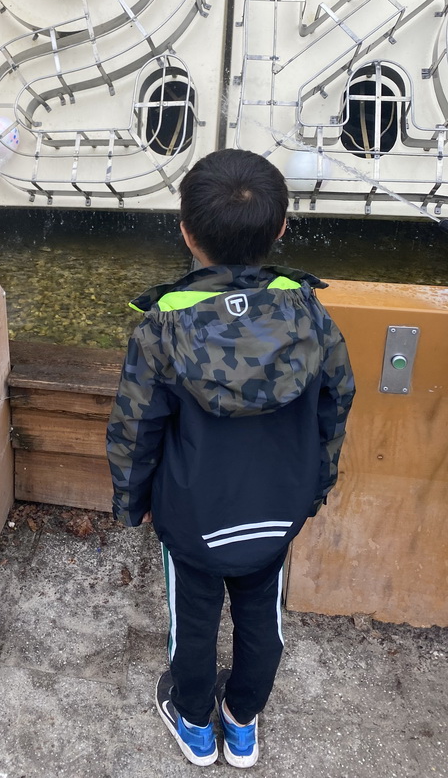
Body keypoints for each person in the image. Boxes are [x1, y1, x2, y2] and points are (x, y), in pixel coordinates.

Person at [106, 148, 355, 767]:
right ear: (281, 230)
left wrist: (130, 502)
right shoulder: (309, 314)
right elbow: (337, 402)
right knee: (260, 612)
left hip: (193, 519)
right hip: (276, 509)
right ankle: (241, 720)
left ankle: (195, 723)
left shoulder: (163, 326)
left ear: (186, 232)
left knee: (190, 622)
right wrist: (315, 486)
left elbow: (135, 426)